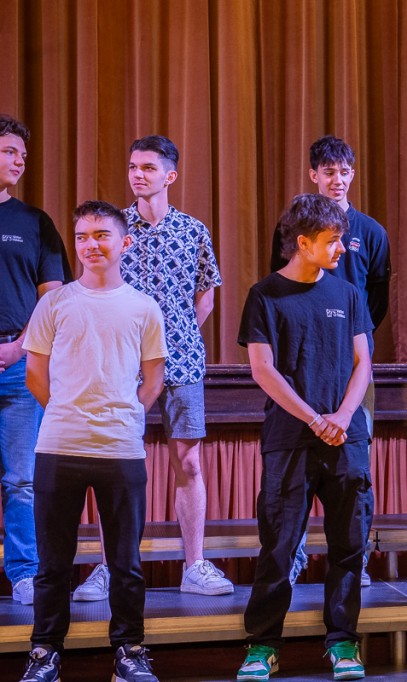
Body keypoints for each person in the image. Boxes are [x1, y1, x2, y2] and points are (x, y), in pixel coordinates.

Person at [68, 135, 231, 602]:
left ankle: (194, 565)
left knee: (189, 462)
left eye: (148, 168)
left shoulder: (193, 230)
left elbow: (206, 295)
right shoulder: (115, 229)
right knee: (116, 465)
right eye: (133, 167)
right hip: (122, 364)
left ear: (169, 175)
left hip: (182, 361)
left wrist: (173, 336)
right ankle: (110, 566)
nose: (138, 174)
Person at [20, 201, 166, 682]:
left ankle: (129, 651)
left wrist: (123, 416)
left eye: (102, 235)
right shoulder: (54, 303)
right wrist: (68, 412)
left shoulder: (144, 307)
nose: (91, 245)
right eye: (82, 236)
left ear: (125, 242)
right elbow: (36, 375)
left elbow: (153, 380)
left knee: (125, 563)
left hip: (120, 449)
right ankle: (45, 652)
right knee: (52, 564)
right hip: (58, 446)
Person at [237, 194, 373, 681]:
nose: (340, 249)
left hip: (346, 438)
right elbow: (263, 369)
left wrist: (342, 415)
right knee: (278, 546)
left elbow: (363, 363)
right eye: (332, 240)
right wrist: (315, 419)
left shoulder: (348, 293)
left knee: (349, 546)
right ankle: (263, 645)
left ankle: (343, 641)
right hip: (290, 439)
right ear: (303, 242)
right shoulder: (265, 294)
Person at [270, 135, 391, 588]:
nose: (337, 180)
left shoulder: (371, 231)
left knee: (355, 461)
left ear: (352, 174)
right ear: (313, 175)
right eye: (328, 172)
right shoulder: (291, 226)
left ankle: (355, 558)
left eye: (344, 172)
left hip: (354, 359)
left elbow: (378, 296)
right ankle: (293, 553)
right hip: (302, 359)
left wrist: (352, 333)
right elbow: (278, 283)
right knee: (297, 463)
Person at [0, 114, 72, 607]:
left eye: (23, 155)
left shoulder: (35, 223)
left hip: (19, 367)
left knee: (21, 480)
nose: (20, 161)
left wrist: (18, 346)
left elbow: (53, 296)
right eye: (10, 151)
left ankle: (25, 572)